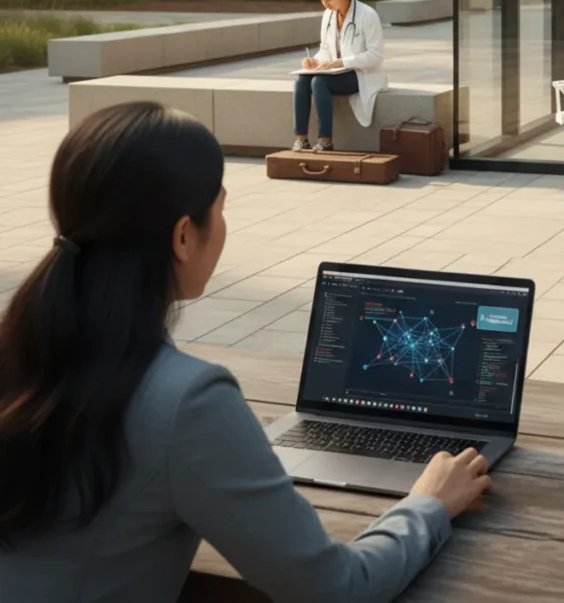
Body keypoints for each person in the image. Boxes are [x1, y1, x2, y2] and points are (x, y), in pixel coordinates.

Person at [0, 102, 493, 602]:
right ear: (184, 236)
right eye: (220, 207)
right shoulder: (187, 402)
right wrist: (428, 504)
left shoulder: (25, 348)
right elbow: (336, 591)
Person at [292, 0, 386, 153]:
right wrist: (315, 61)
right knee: (302, 80)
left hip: (360, 75)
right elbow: (326, 49)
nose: (325, 4)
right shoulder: (329, 15)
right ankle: (301, 139)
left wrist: (343, 62)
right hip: (337, 72)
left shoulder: (367, 15)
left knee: (319, 82)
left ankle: (326, 141)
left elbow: (376, 55)